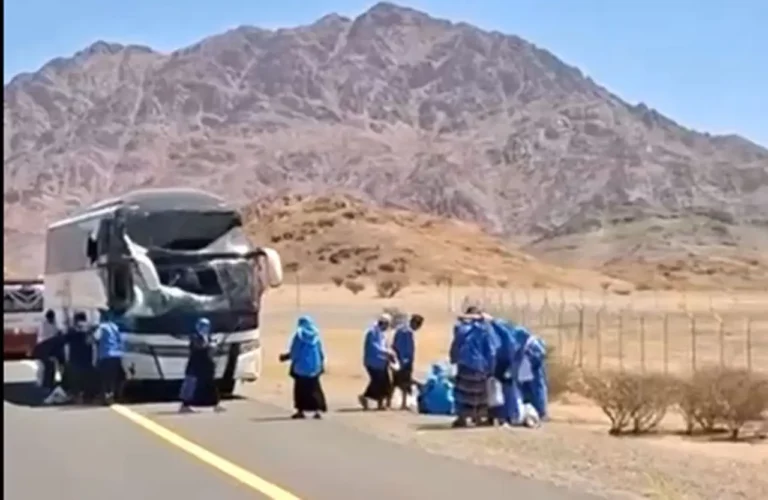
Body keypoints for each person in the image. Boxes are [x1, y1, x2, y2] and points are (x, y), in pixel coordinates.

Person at [448, 309, 497, 428]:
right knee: (479, 392)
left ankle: (462, 417)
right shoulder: (485, 330)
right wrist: (491, 366)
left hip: (464, 364)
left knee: (463, 391)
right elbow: (490, 349)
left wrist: (454, 359)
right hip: (480, 365)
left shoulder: (461, 329)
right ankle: (479, 418)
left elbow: (456, 345)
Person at [279, 315, 327, 419]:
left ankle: (300, 410)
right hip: (314, 366)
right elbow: (320, 351)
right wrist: (321, 363)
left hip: (301, 367)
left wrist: (287, 357)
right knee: (315, 388)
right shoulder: (316, 335)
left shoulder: (299, 336)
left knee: (300, 390)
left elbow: (295, 352)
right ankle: (317, 410)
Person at [179, 317, 225, 413]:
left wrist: (215, 346)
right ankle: (185, 405)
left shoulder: (208, 337)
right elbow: (198, 346)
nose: (205, 329)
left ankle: (216, 404)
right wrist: (208, 345)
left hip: (207, 365)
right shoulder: (194, 336)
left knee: (211, 385)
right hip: (195, 365)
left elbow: (212, 349)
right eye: (202, 327)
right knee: (190, 385)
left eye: (206, 327)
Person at [358, 313, 395, 411]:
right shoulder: (372, 332)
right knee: (377, 382)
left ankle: (380, 404)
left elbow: (384, 346)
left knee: (385, 383)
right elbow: (375, 348)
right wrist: (387, 353)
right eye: (387, 325)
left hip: (382, 362)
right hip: (372, 362)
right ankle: (365, 397)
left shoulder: (381, 333)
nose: (387, 327)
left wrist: (390, 352)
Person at [512, 324, 549, 420]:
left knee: (537, 392)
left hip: (535, 372)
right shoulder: (522, 345)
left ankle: (541, 412)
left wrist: (529, 357)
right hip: (526, 372)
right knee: (526, 391)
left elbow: (539, 356)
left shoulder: (533, 343)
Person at [391, 314, 424, 410]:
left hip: (397, 359)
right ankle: (403, 403)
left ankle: (388, 402)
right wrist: (405, 360)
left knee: (395, 382)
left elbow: (395, 344)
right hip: (405, 361)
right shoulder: (408, 332)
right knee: (405, 382)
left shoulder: (400, 329)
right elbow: (406, 348)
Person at [63, 311, 96, 404]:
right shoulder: (89, 330)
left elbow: (65, 341)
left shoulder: (72, 330)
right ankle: (87, 397)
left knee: (75, 380)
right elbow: (93, 343)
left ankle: (77, 396)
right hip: (87, 359)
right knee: (87, 379)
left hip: (75, 359)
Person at [94, 309, 126, 406]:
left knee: (105, 378)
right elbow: (120, 340)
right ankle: (112, 396)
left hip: (106, 355)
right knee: (113, 378)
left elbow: (96, 337)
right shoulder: (115, 327)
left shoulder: (101, 327)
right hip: (117, 355)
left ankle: (106, 397)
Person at [36, 309, 62, 392]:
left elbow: (56, 333)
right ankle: (43, 383)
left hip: (50, 348)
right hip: (44, 348)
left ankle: (50, 382)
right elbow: (47, 336)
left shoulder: (53, 323)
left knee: (51, 366)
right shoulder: (44, 325)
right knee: (44, 366)